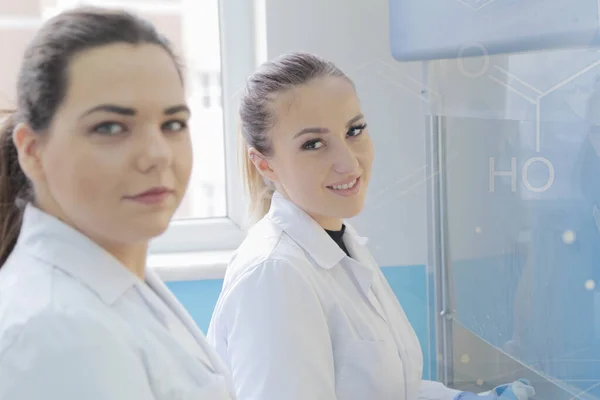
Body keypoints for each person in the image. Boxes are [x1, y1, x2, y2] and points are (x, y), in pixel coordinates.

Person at [206, 52, 535, 400]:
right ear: (264, 164)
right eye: (313, 144)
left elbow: (391, 389)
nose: (348, 162)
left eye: (354, 131)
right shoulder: (275, 274)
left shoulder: (343, 246)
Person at [0, 7, 235, 399]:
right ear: (32, 151)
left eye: (172, 123)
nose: (157, 154)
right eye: (110, 127)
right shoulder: (55, 333)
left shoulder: (116, 276)